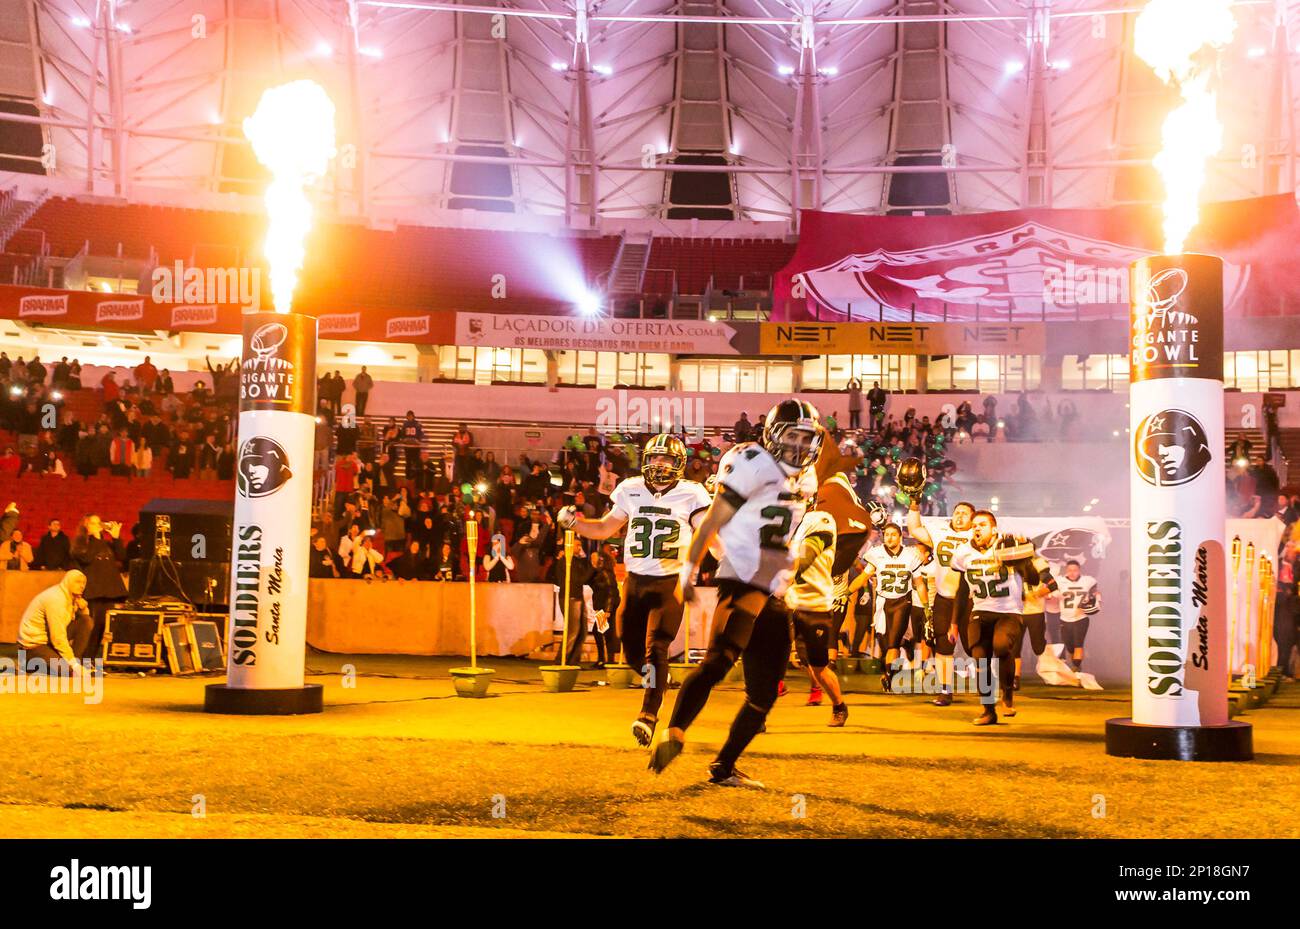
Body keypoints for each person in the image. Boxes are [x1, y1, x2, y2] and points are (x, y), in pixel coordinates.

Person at [650, 399, 821, 788]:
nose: (798, 445)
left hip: (772, 588)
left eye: (805, 438)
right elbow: (711, 520)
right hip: (741, 578)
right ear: (773, 435)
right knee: (718, 661)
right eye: (791, 435)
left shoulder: (807, 478)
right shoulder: (751, 461)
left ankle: (723, 767)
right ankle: (674, 732)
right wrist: (688, 570)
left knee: (763, 694)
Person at [559, 433, 711, 745]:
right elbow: (603, 528)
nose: (658, 463)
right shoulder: (630, 489)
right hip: (635, 582)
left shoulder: (691, 493)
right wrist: (575, 524)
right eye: (654, 457)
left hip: (670, 583)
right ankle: (658, 682)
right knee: (628, 650)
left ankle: (648, 715)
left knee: (656, 646)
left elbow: (709, 533)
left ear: (678, 463)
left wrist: (729, 560)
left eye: (665, 459)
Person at [943, 512, 1038, 725]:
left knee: (1002, 646)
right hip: (980, 610)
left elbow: (1034, 579)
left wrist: (1025, 560)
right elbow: (961, 590)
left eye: (982, 525)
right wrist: (954, 623)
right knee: (980, 659)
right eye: (974, 525)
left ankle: (1007, 695)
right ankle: (988, 710)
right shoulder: (963, 552)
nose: (977, 528)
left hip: (1008, 611)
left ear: (993, 529)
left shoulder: (1006, 545)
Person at [905, 498, 977, 706]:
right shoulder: (940, 532)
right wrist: (914, 506)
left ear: (973, 519)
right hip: (944, 599)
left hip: (971, 601)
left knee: (976, 647)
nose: (960, 515)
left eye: (965, 513)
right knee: (943, 647)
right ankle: (945, 690)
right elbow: (915, 528)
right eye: (957, 511)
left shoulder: (976, 535)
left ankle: (989, 686)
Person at [787, 505, 849, 726]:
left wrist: (777, 568)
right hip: (787, 601)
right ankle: (757, 713)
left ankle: (839, 705)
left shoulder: (821, 518)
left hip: (814, 603)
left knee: (818, 666)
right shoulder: (785, 519)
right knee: (769, 658)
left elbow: (806, 557)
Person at [850, 522, 927, 693]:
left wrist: (926, 607)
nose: (889, 537)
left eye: (893, 534)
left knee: (893, 642)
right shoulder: (876, 555)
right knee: (884, 642)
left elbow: (919, 584)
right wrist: (846, 592)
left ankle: (888, 675)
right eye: (887, 534)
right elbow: (863, 577)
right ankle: (890, 667)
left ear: (900, 537)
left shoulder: (910, 555)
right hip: (883, 603)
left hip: (902, 602)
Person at [70, 515, 127, 659]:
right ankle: (84, 658)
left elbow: (122, 556)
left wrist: (116, 538)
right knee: (92, 627)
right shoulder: (82, 544)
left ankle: (93, 658)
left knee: (103, 628)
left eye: (99, 523)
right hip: (94, 592)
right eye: (94, 523)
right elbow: (86, 558)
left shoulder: (104, 543)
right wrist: (95, 537)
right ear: (86, 526)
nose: (98, 526)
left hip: (110, 591)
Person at [16, 570, 91, 673]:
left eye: (83, 583)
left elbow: (82, 626)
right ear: (68, 581)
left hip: (48, 642)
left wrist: (82, 609)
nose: (81, 585)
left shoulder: (70, 597)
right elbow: (57, 637)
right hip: (32, 647)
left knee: (86, 621)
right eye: (77, 582)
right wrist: (73, 665)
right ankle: (29, 664)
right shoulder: (56, 599)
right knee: (68, 671)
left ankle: (72, 663)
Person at [1055, 560, 1099, 676]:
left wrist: (1096, 597)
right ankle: (1076, 664)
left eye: (1075, 570)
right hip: (1064, 618)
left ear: (1079, 570)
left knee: (1078, 643)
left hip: (1081, 618)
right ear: (1066, 571)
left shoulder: (1088, 580)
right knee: (1070, 646)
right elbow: (1049, 591)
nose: (1072, 573)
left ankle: (1076, 667)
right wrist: (1050, 595)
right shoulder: (1060, 581)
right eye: (1070, 570)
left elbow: (1095, 590)